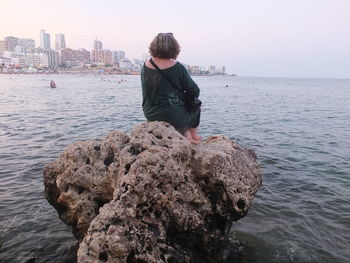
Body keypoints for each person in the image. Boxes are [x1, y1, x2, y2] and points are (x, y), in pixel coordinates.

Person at [141, 33, 201, 144]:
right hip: (171, 115)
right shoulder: (177, 67)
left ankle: (186, 133)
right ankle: (193, 136)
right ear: (174, 48)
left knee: (180, 108)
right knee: (196, 107)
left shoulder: (145, 65)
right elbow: (195, 91)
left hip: (149, 113)